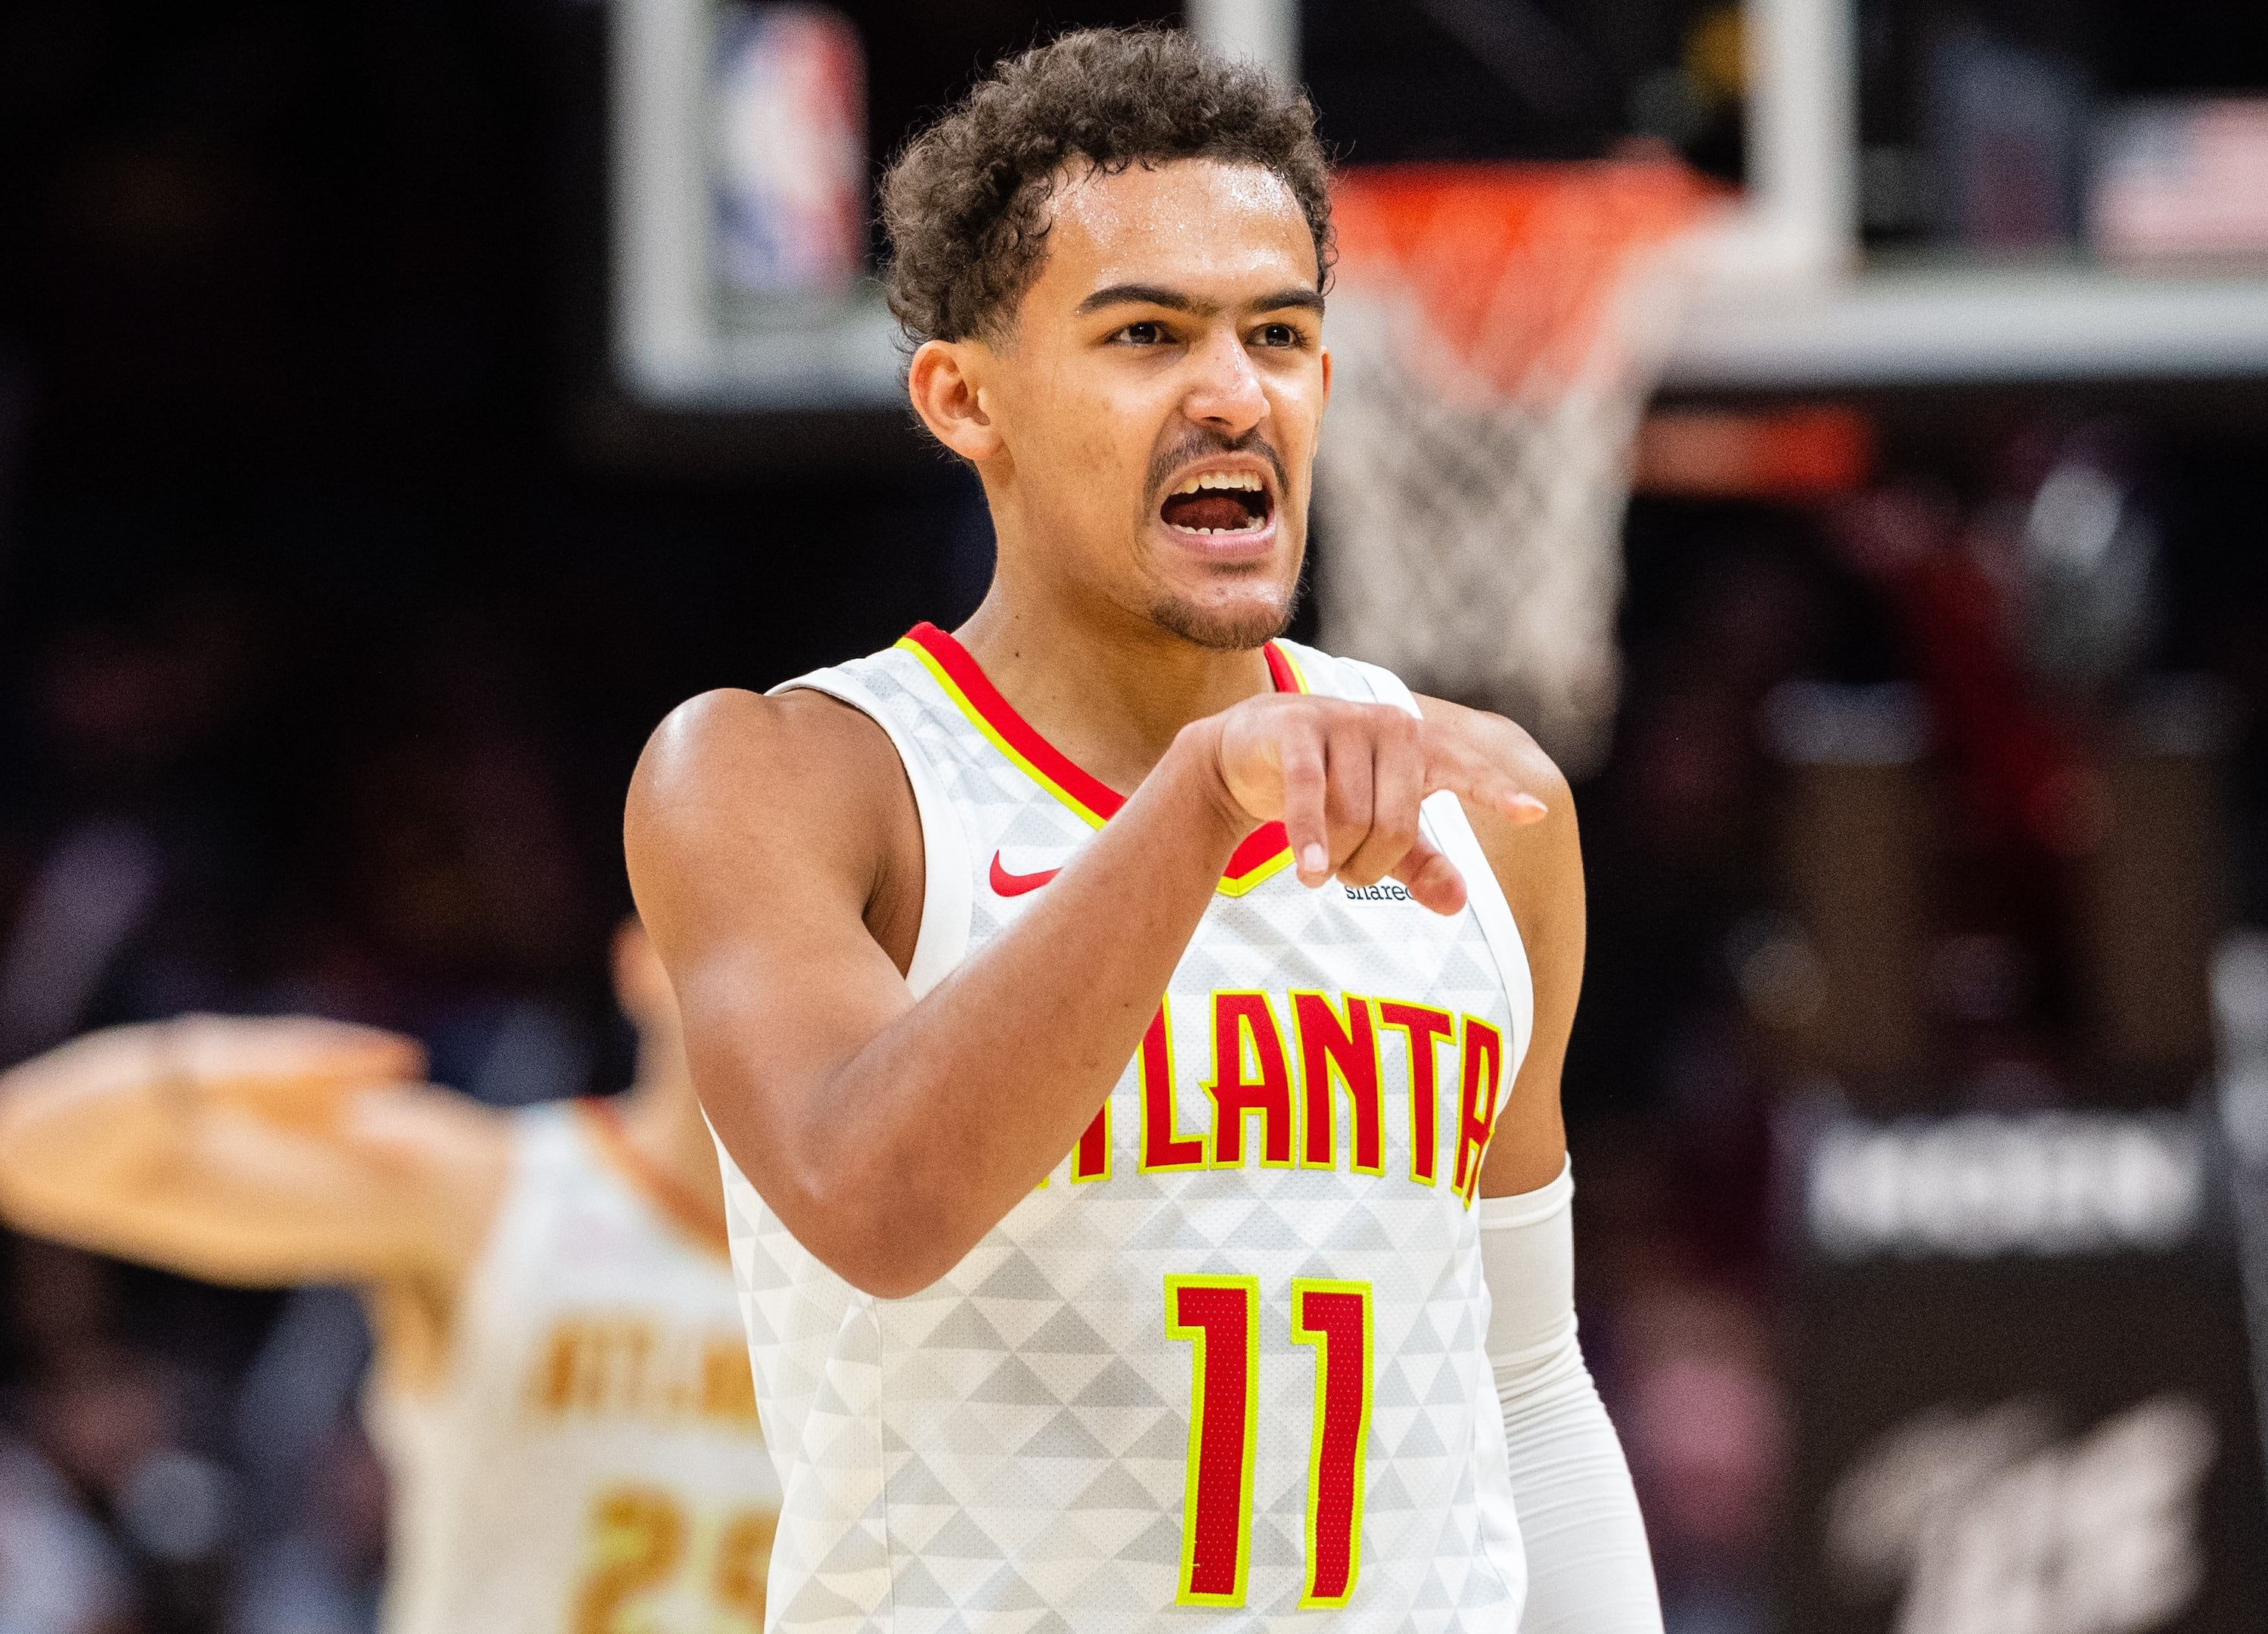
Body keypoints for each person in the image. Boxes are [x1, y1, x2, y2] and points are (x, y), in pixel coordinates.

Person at [625, 26, 1659, 1632]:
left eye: (1281, 334)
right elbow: (874, 1206)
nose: (1234, 394)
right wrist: (1195, 802)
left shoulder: (1483, 809)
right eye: (1147, 335)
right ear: (966, 399)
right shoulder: (795, 776)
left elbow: (1526, 1385)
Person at [0, 924, 780, 1634]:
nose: (774, 981)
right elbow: (22, 1157)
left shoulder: (855, 1274)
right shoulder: (493, 1188)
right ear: (640, 959)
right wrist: (200, 1060)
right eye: (744, 925)